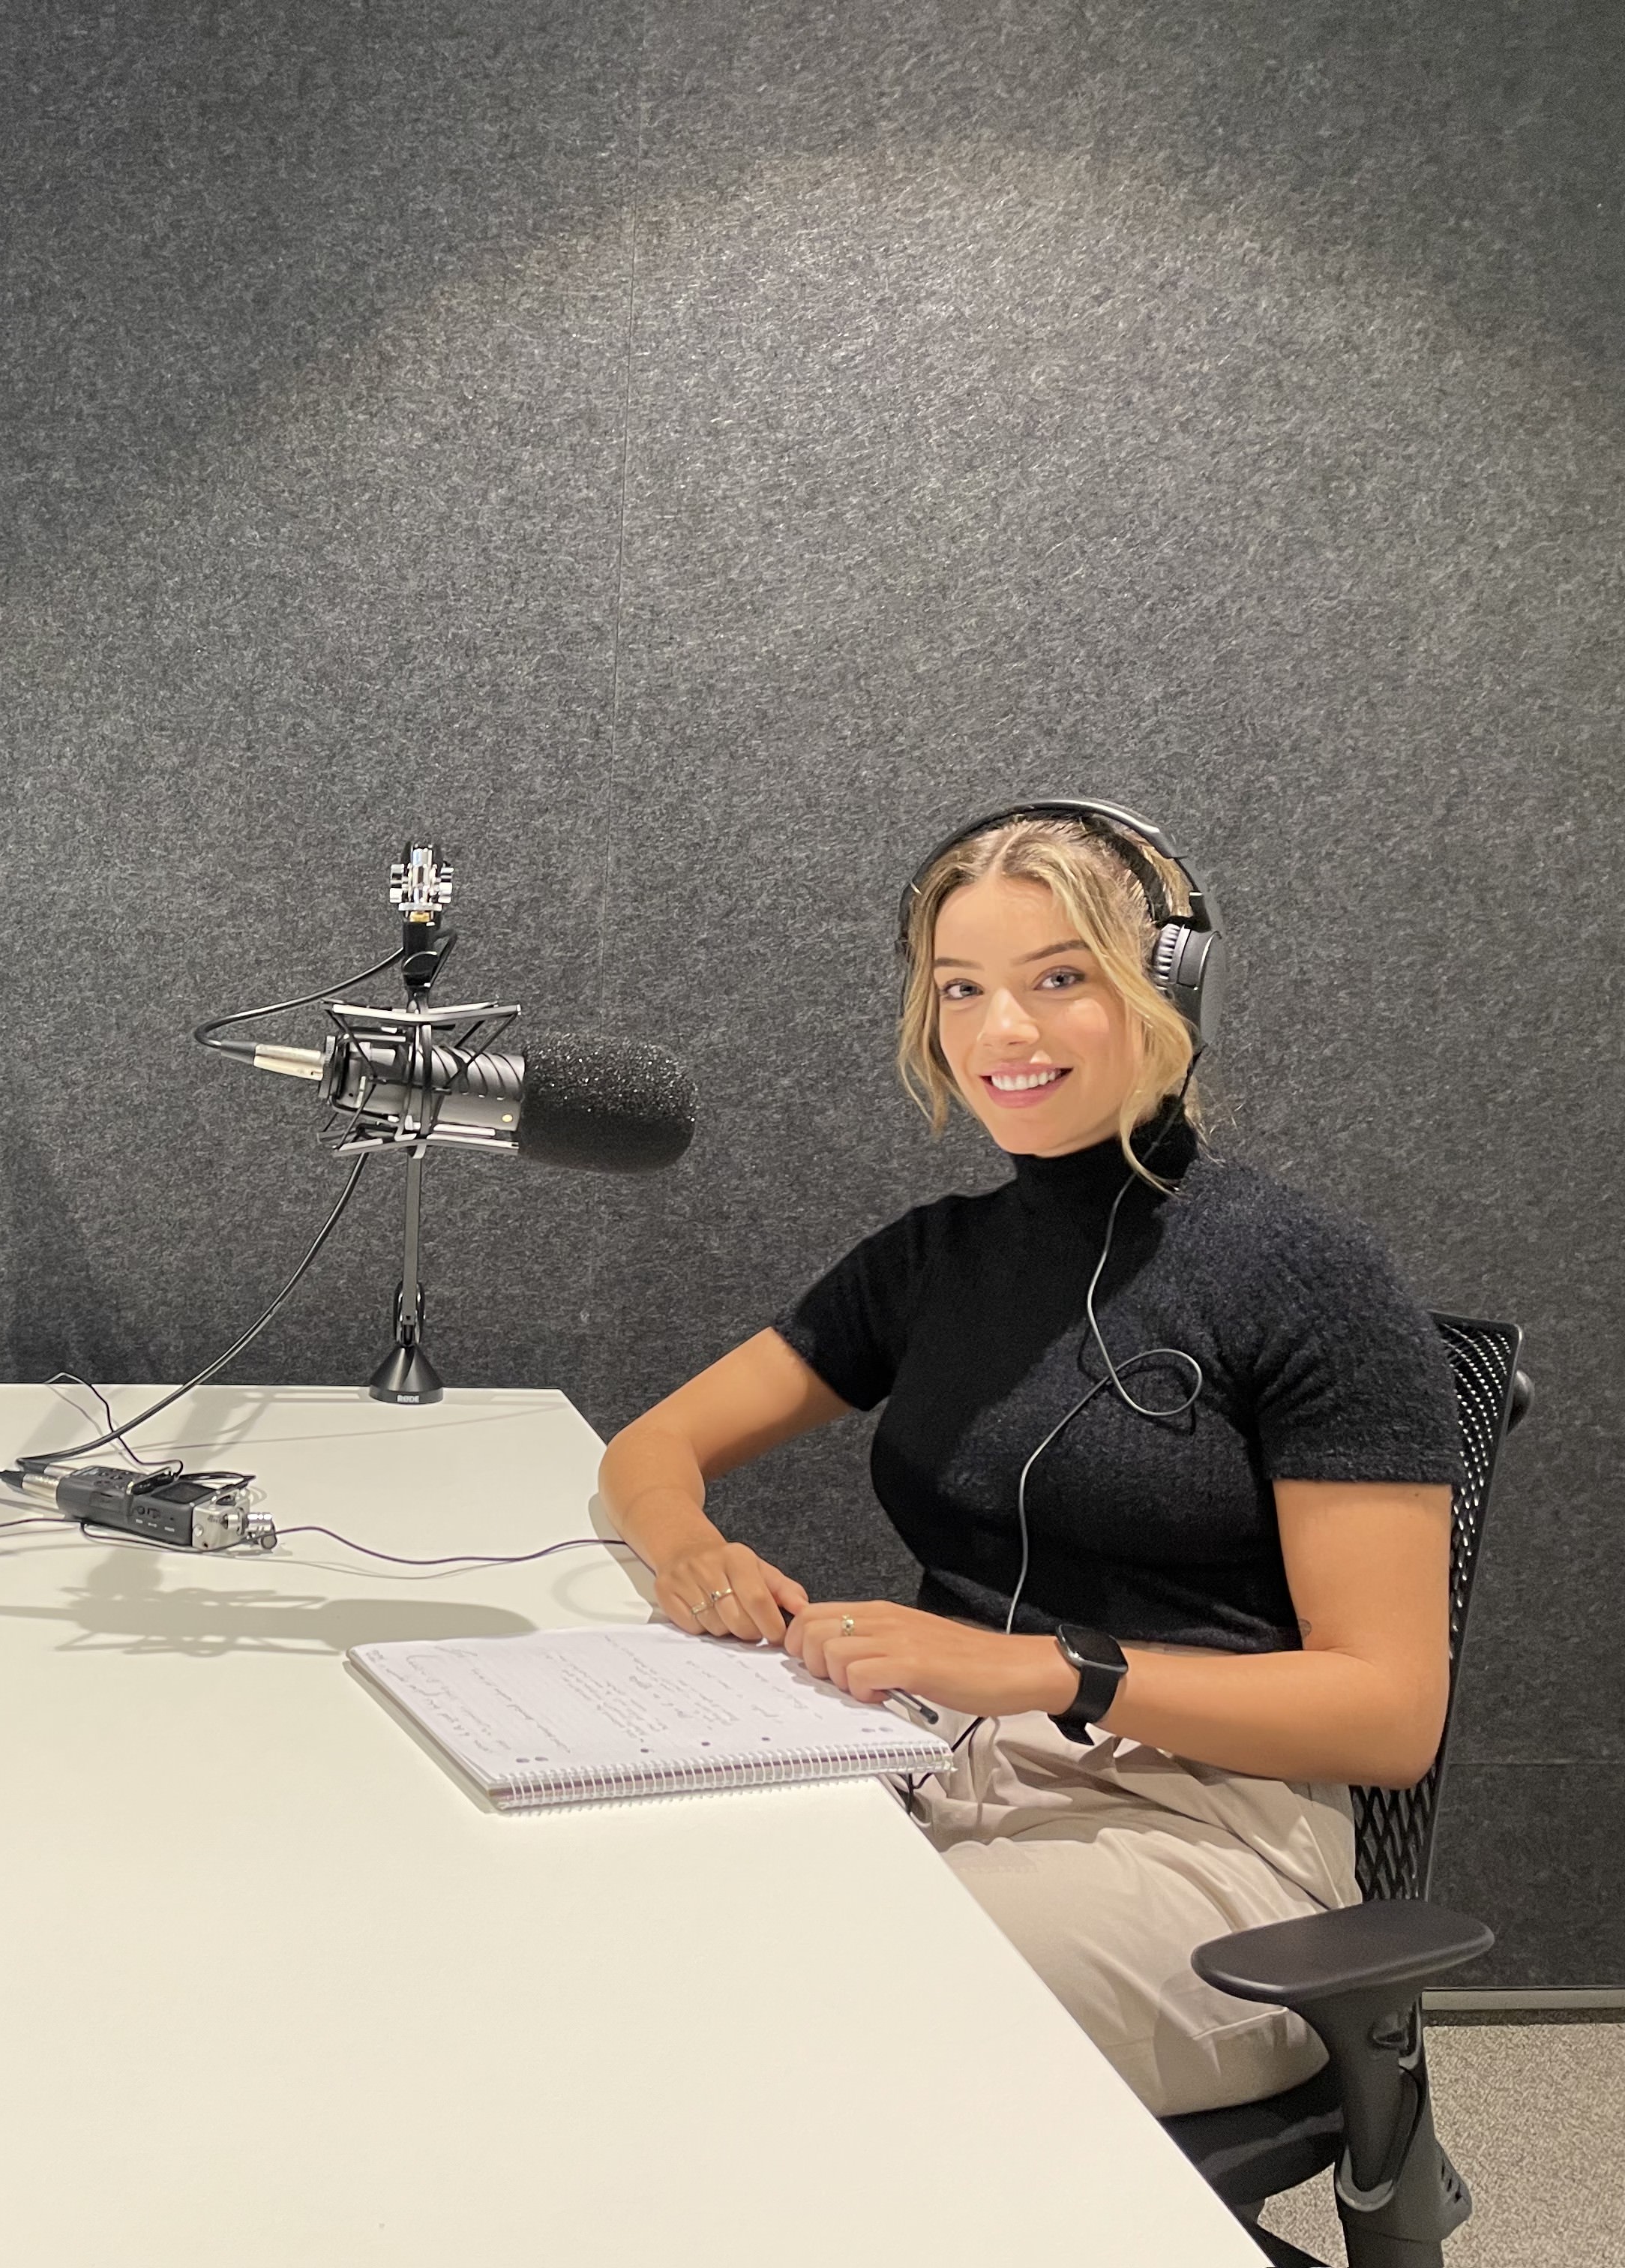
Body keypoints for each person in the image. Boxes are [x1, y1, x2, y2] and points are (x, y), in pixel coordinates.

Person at [598, 803, 1461, 2118]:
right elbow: (656, 1447)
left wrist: (1052, 1669)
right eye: (964, 989)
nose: (1004, 1032)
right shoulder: (938, 1256)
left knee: (797, 2020)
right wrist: (690, 1549)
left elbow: (1389, 1715)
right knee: (628, 1932)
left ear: (1169, 990)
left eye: (1061, 979)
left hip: (1209, 1843)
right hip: (936, 1758)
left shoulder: (1307, 1279)